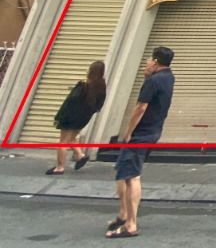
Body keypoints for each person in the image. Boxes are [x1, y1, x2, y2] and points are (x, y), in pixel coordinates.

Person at [106, 46, 175, 239]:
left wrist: (128, 132)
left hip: (141, 133)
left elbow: (141, 108)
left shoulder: (154, 81)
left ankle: (130, 224)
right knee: (124, 172)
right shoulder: (169, 77)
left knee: (132, 176)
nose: (147, 62)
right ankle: (124, 214)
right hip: (153, 131)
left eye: (149, 59)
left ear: (155, 61)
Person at [46, 61, 106, 175]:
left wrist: (59, 116)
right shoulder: (101, 88)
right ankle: (80, 155)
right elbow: (98, 106)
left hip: (70, 117)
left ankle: (59, 167)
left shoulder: (82, 87)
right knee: (72, 138)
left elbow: (69, 103)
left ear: (91, 71)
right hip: (83, 118)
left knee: (63, 142)